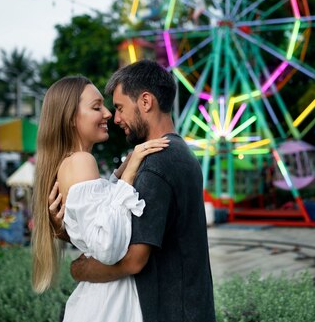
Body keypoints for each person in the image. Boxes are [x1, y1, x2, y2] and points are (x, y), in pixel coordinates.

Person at [49, 61, 216, 322]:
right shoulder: (180, 154)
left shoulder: (155, 164)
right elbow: (111, 227)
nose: (114, 118)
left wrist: (79, 268)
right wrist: (70, 228)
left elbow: (131, 260)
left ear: (146, 102)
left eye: (119, 108)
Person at [31, 75, 169, 322]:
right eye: (96, 107)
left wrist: (118, 176)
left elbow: (97, 218)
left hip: (100, 301)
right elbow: (108, 247)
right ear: (71, 118)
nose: (108, 114)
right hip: (110, 307)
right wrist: (128, 177)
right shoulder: (82, 161)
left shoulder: (72, 163)